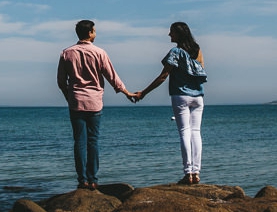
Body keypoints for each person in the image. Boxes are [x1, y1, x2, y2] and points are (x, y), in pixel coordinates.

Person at [57, 19, 135, 190]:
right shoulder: (99, 53)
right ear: (91, 33)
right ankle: (93, 179)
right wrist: (127, 92)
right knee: (93, 141)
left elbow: (61, 82)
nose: (95, 33)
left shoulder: (66, 53)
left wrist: (69, 96)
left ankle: (82, 180)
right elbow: (112, 76)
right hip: (94, 102)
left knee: (79, 141)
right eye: (95, 30)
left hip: (76, 102)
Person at [130, 22, 206, 184]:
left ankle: (188, 174)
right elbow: (201, 70)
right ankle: (197, 173)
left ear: (179, 34)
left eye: (171, 32)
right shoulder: (197, 50)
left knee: (185, 133)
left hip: (181, 96)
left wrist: (143, 92)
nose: (169, 35)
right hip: (198, 97)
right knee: (196, 133)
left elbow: (163, 76)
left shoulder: (175, 52)